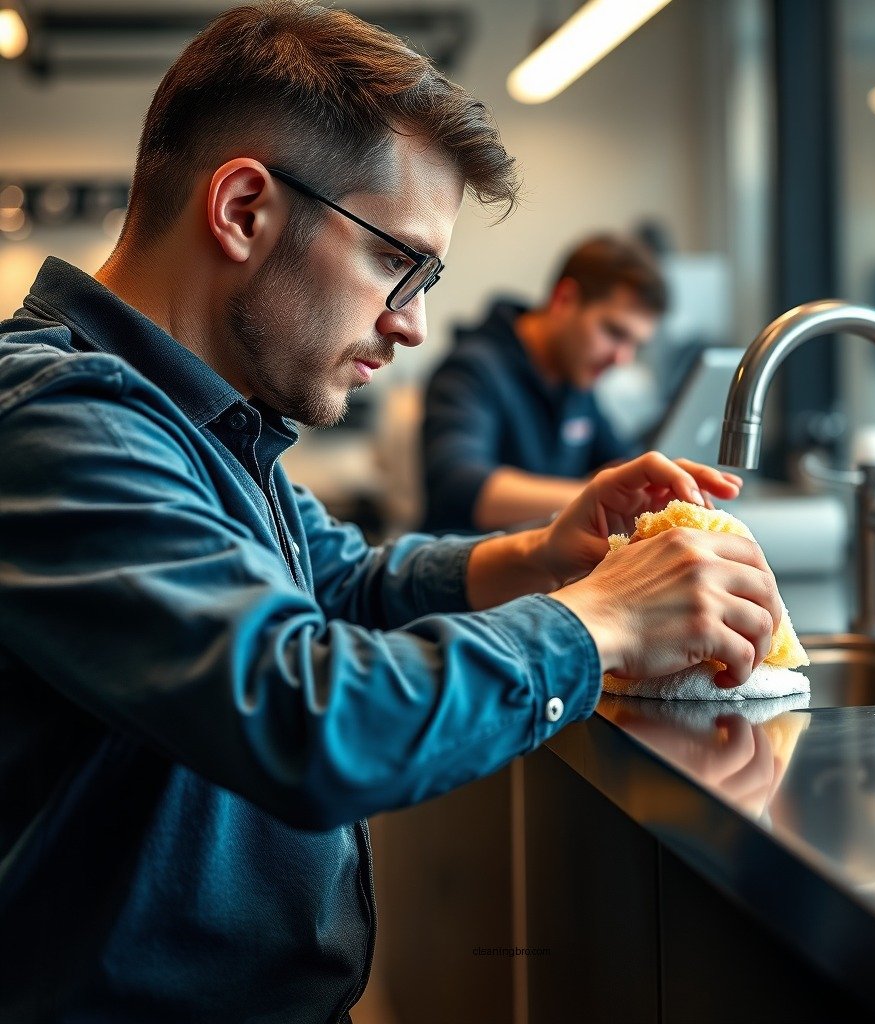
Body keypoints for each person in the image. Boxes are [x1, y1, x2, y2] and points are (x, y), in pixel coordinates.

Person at [0, 3, 783, 1022]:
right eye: (394, 261)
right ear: (243, 210)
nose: (411, 322)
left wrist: (539, 555)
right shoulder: (59, 416)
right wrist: (604, 618)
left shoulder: (202, 422)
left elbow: (338, 583)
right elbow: (302, 712)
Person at [421, 234, 670, 533]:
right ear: (565, 299)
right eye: (614, 332)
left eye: (635, 344)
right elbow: (458, 486)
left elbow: (620, 461)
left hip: (548, 564)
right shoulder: (472, 369)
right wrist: (597, 494)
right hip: (468, 566)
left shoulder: (575, 376)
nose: (622, 359)